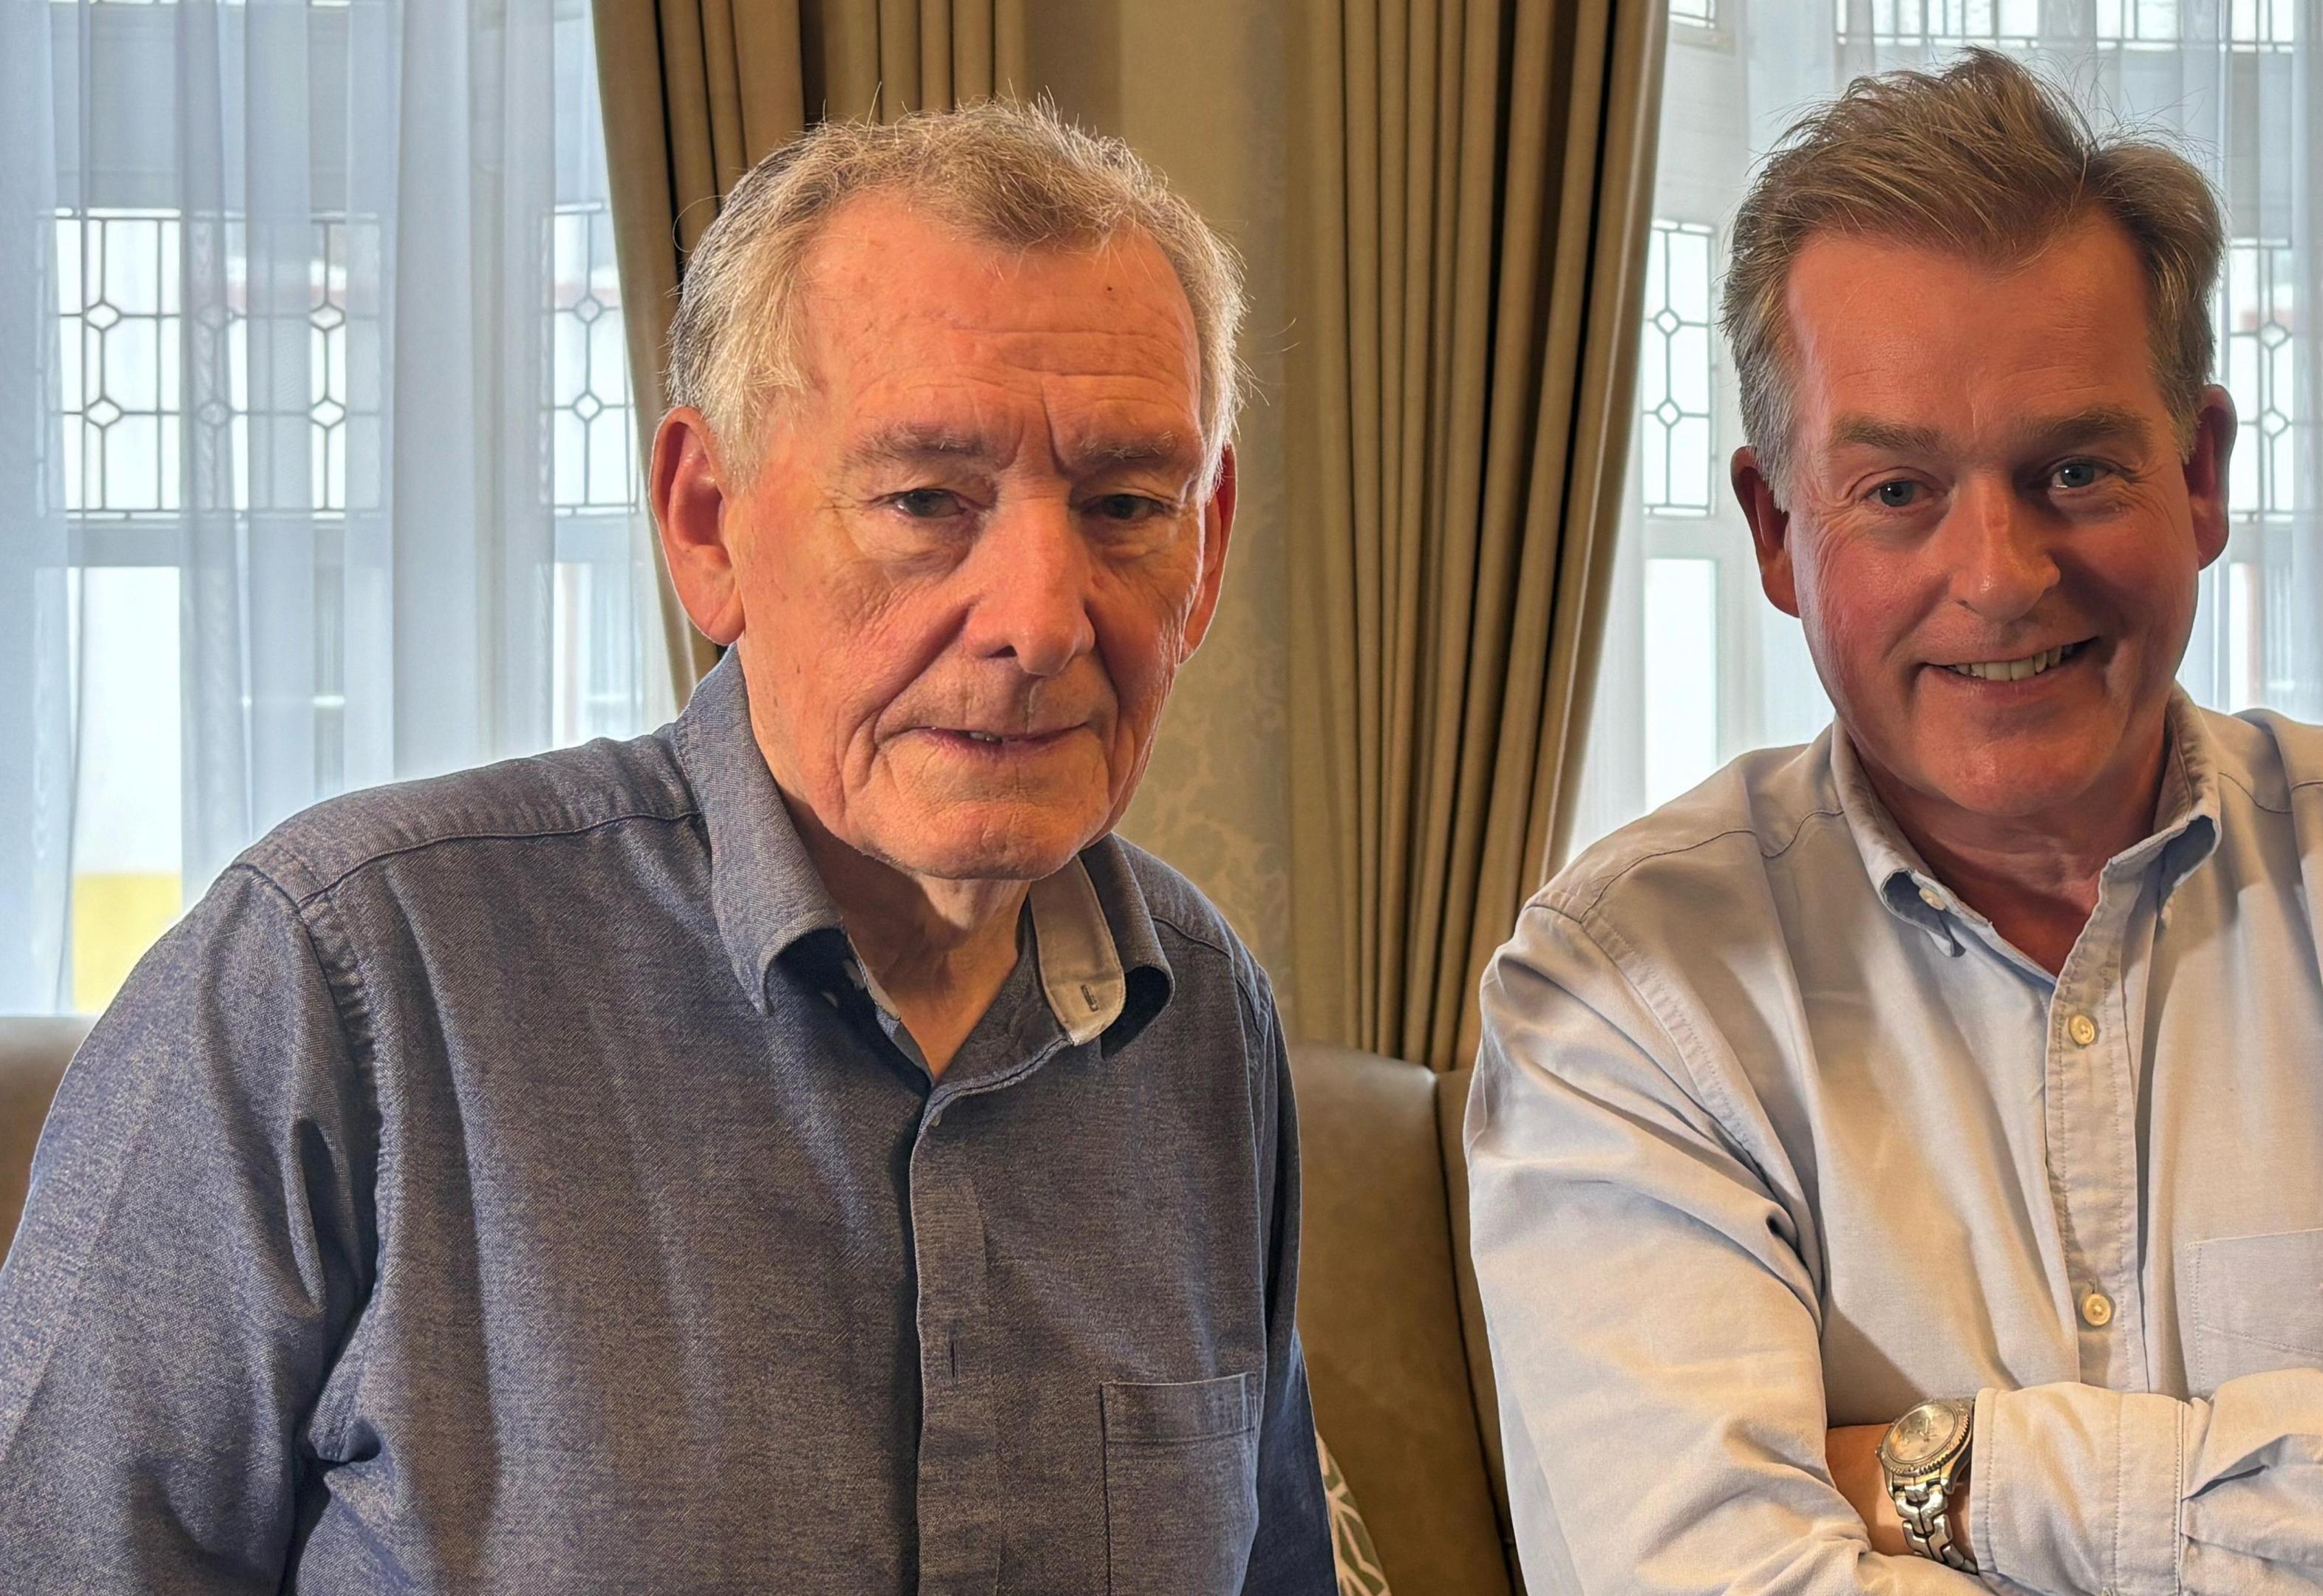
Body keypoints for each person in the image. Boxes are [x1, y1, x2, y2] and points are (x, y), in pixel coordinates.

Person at [1466, 50, 2323, 1595]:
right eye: (1900, 490)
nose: (1997, 573)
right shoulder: (1627, 993)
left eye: (2072, 469)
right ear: (1779, 529)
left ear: (2198, 476)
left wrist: (1960, 1478)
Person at [0, 103, 1336, 1595]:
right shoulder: (334, 978)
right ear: (708, 524)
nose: (1038, 618)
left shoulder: (1207, 1021)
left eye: (1124, 506)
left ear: (1205, 546)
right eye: (921, 501)